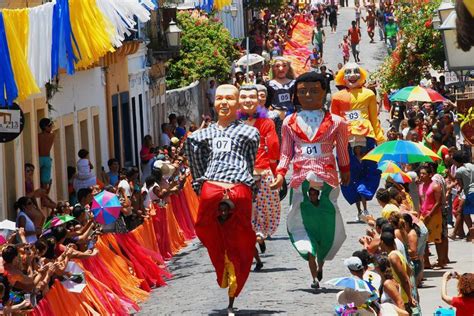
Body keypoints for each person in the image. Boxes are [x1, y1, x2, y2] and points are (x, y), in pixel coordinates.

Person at [271, 72, 350, 289]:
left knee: (325, 221)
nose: (308, 95)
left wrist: (345, 171)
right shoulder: (289, 122)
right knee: (301, 220)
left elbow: (342, 150)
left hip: (327, 179)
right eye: (302, 91)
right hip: (300, 179)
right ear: (296, 94)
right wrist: (280, 173)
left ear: (324, 92)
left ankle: (322, 255)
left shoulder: (337, 122)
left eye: (314, 90)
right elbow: (286, 152)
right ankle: (311, 260)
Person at [185, 84, 260, 313]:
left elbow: (249, 162)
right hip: (217, 188)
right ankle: (224, 266)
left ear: (238, 103)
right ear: (214, 102)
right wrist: (202, 186)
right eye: (220, 98)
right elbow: (197, 165)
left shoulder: (249, 133)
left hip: (235, 187)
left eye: (229, 98)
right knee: (212, 231)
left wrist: (202, 185)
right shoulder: (199, 136)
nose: (224, 102)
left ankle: (234, 271)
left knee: (239, 237)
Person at [331, 63, 384, 221]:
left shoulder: (369, 94)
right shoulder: (337, 97)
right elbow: (334, 120)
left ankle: (365, 207)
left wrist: (379, 137)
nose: (352, 75)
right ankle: (360, 209)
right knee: (350, 172)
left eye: (355, 72)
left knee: (369, 169)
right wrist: (333, 140)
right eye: (348, 72)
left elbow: (374, 118)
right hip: (346, 138)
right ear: (343, 76)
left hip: (367, 136)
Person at [238, 85, 280, 271]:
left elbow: (273, 148)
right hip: (239, 175)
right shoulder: (231, 123)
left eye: (251, 97)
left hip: (259, 173)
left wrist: (277, 172)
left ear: (259, 100)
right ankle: (258, 238)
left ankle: (258, 238)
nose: (247, 100)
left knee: (254, 214)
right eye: (244, 96)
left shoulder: (266, 123)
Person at [379, 231, 418, 312]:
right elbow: (409, 270)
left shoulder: (392, 257)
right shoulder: (397, 253)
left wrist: (410, 297)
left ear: (382, 242)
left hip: (401, 297)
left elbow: (404, 279)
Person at [418, 165, 443, 269]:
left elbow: (438, 202)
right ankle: (426, 262)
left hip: (434, 215)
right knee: (423, 238)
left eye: (424, 173)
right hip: (423, 215)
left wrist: (430, 214)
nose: (421, 175)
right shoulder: (420, 185)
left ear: (430, 175)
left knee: (437, 239)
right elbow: (421, 201)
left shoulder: (435, 186)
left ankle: (441, 261)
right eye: (420, 173)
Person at [453, 150, 474, 241]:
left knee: (465, 214)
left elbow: (461, 185)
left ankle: (472, 232)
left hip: (469, 192)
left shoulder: (459, 171)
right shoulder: (472, 166)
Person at [38, 118, 55, 193]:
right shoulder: (52, 135)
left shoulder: (38, 136)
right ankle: (44, 199)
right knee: (45, 182)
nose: (51, 127)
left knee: (37, 178)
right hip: (47, 159)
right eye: (50, 125)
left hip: (39, 158)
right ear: (45, 127)